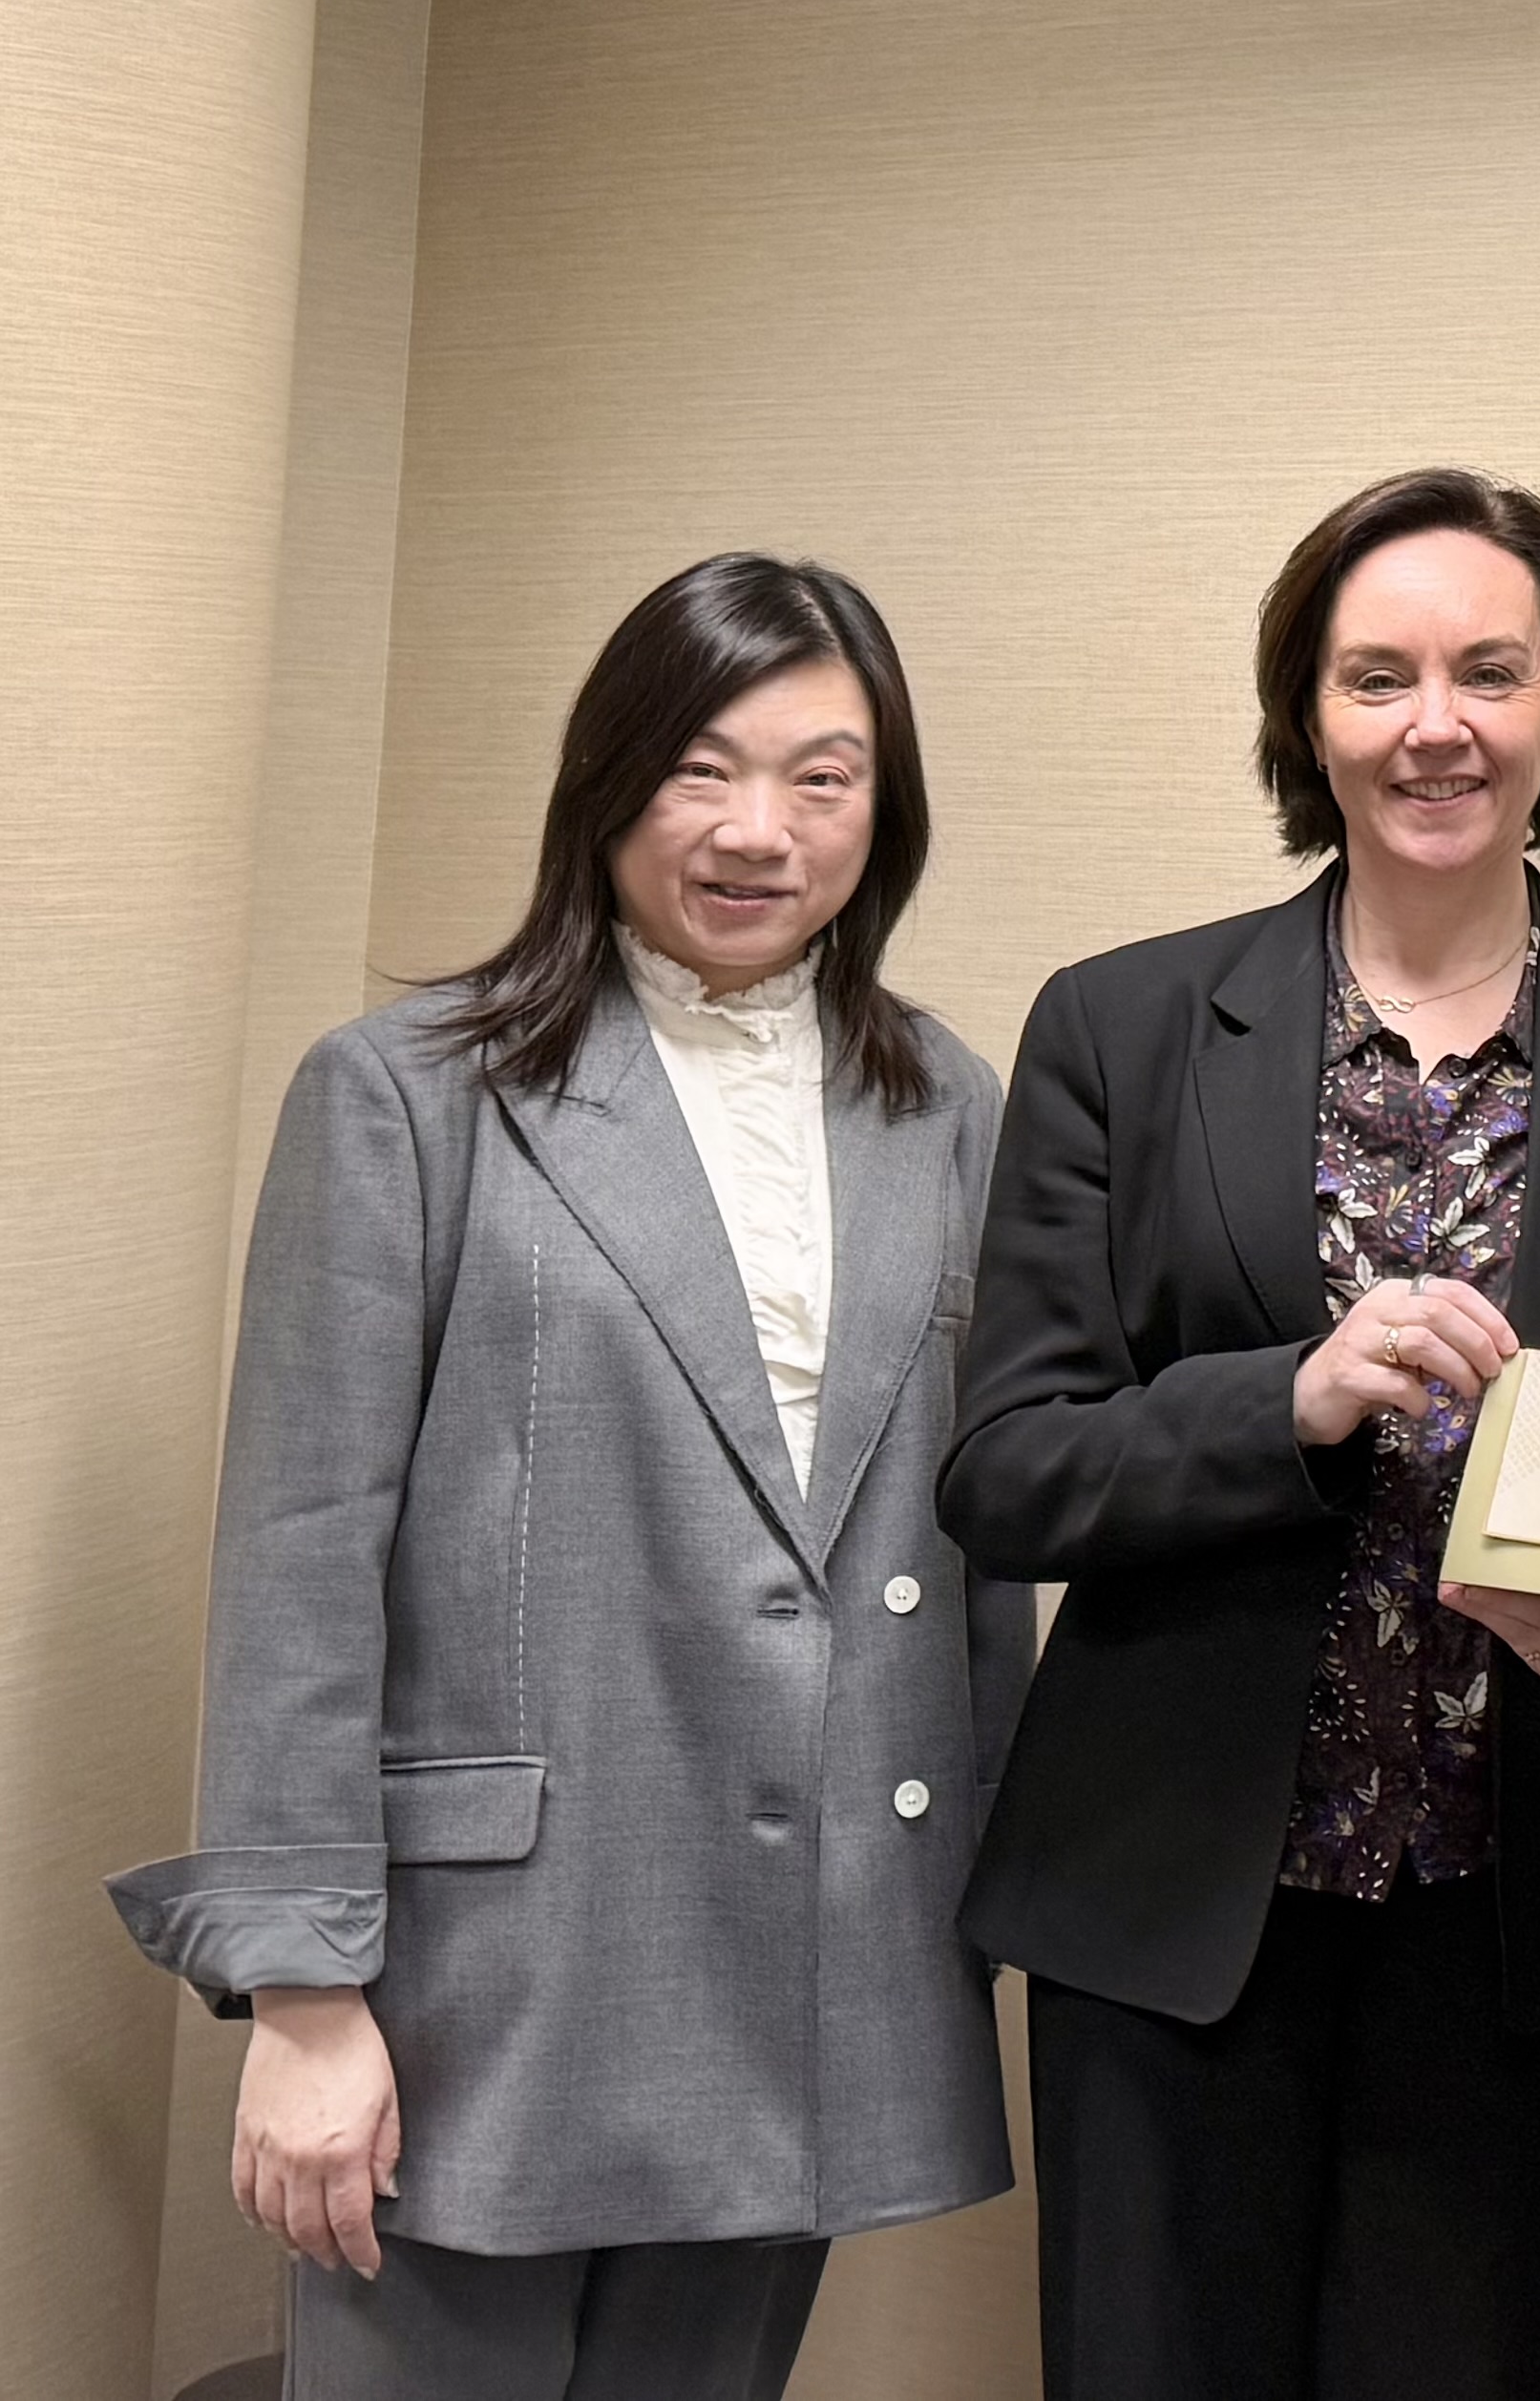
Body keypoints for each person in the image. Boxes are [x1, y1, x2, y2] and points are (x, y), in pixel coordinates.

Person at [107, 556, 1023, 2400]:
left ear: (884, 808)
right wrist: (301, 1993)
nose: (761, 829)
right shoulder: (407, 1091)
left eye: (823, 778)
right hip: (482, 1976)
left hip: (811, 1951)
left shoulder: (946, 1104)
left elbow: (969, 1526)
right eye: (702, 767)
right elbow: (301, 1549)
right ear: (605, 783)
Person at [939, 468, 1540, 2401]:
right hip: (1172, 1916)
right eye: (1377, 674)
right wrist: (1293, 1398)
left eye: (1492, 670)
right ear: (1304, 715)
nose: (1439, 722)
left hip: (1530, 1919)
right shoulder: (1124, 1023)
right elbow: (1005, 1470)